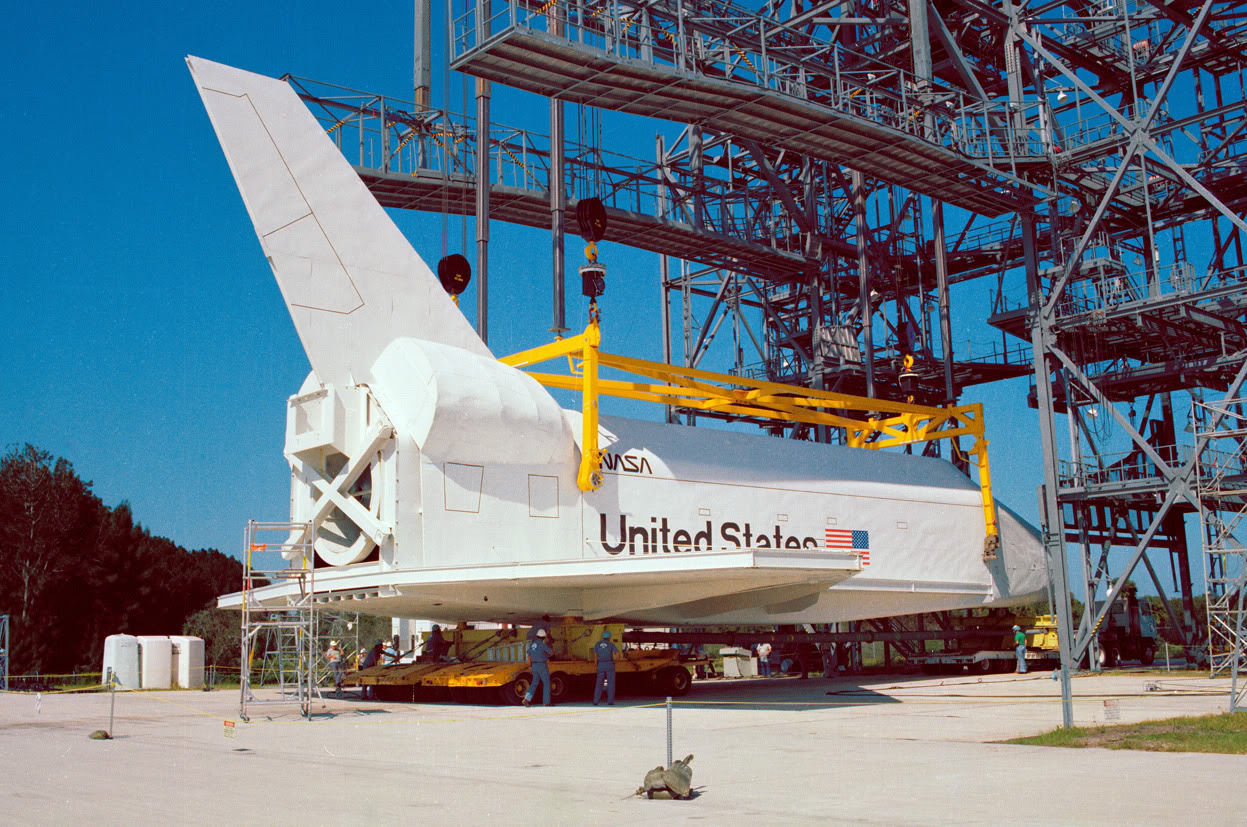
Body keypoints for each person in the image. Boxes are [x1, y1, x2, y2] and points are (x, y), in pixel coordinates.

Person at [523, 629, 553, 707]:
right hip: (542, 666)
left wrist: (530, 666)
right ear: (544, 637)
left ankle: (526, 699)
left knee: (534, 683)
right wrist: (548, 643)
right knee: (546, 683)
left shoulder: (533, 644)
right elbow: (551, 652)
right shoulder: (543, 644)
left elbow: (529, 655)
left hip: (534, 666)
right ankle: (546, 702)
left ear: (537, 636)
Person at [592, 630, 619, 706]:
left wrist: (596, 665)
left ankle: (596, 701)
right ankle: (610, 701)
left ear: (603, 637)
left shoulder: (597, 644)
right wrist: (615, 661)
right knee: (611, 683)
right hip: (609, 664)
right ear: (609, 638)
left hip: (601, 665)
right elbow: (618, 654)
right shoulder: (611, 644)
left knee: (599, 684)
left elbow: (595, 656)